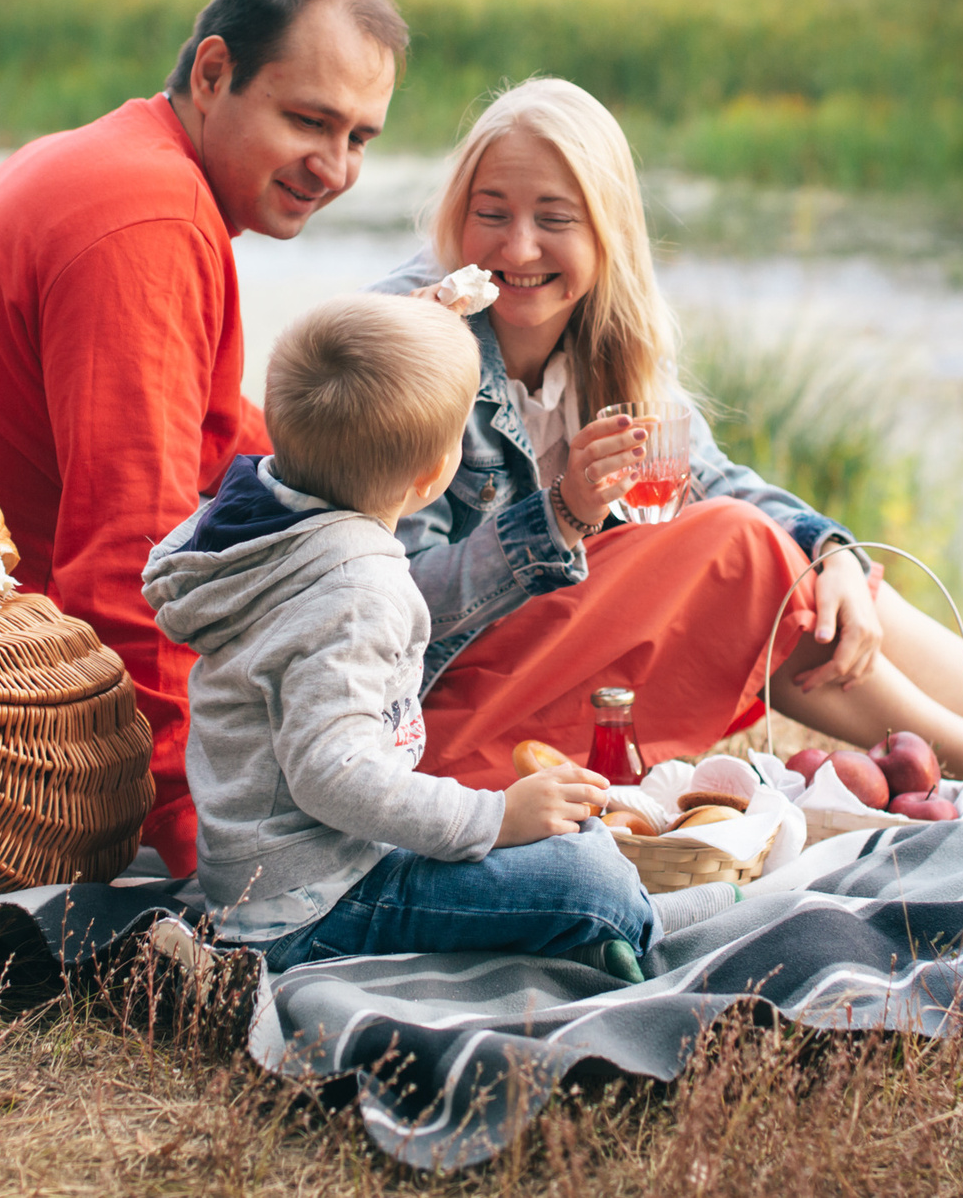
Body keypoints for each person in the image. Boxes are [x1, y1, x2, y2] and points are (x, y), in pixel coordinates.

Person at [378, 78, 963, 840]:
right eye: (489, 214)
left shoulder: (604, 340)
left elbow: (713, 476)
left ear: (607, 232)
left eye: (554, 220)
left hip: (568, 672)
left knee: (805, 568)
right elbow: (391, 607)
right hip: (447, 721)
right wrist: (562, 516)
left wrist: (835, 551)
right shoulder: (415, 340)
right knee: (736, 552)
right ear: (458, 213)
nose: (518, 248)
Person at [0, 0, 405, 877]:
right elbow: (132, 555)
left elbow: (203, 426)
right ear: (214, 73)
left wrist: (354, 452)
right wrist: (189, 838)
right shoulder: (151, 224)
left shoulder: (118, 160)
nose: (333, 166)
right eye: (308, 120)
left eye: (360, 137)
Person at [144, 293, 676, 981]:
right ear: (431, 477)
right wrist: (492, 819)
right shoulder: (356, 592)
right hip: (311, 906)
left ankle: (584, 929)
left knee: (570, 832)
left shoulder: (260, 519)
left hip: (278, 876)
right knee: (592, 879)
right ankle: (650, 933)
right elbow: (331, 772)